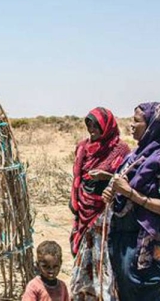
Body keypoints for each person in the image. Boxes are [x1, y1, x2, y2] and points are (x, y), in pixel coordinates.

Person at [103, 102, 160, 300]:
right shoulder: (135, 156)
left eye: (137, 121)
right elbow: (122, 190)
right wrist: (112, 194)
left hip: (152, 246)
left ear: (153, 126)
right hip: (125, 241)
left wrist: (131, 194)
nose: (131, 125)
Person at [69, 107, 130, 299]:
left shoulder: (120, 150)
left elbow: (127, 180)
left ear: (107, 127)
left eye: (96, 125)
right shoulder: (82, 147)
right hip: (84, 209)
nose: (92, 129)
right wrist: (76, 203)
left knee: (104, 260)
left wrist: (106, 176)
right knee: (85, 257)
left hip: (106, 213)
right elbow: (77, 178)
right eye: (89, 125)